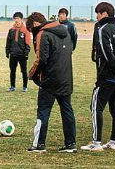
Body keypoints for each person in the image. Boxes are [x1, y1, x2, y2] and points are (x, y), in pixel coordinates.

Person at [81, 2, 115, 151]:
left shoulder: (103, 29)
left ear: (104, 14)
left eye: (97, 13)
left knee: (96, 107)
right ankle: (113, 141)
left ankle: (96, 143)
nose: (96, 16)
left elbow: (106, 54)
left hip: (106, 78)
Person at [24, 12, 76, 153]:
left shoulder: (43, 34)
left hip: (49, 80)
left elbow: (41, 59)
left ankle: (39, 144)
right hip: (66, 78)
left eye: (31, 30)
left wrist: (32, 75)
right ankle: (71, 144)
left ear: (35, 24)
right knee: (67, 110)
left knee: (43, 112)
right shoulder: (64, 30)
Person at [6, 12, 31, 92]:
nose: (16, 20)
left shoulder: (25, 30)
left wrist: (26, 53)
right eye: (15, 18)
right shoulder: (11, 30)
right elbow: (8, 42)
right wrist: (7, 51)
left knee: (24, 71)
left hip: (22, 55)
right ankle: (12, 86)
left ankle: (25, 87)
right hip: (13, 54)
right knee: (12, 71)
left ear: (21, 19)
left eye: (18, 18)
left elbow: (28, 43)